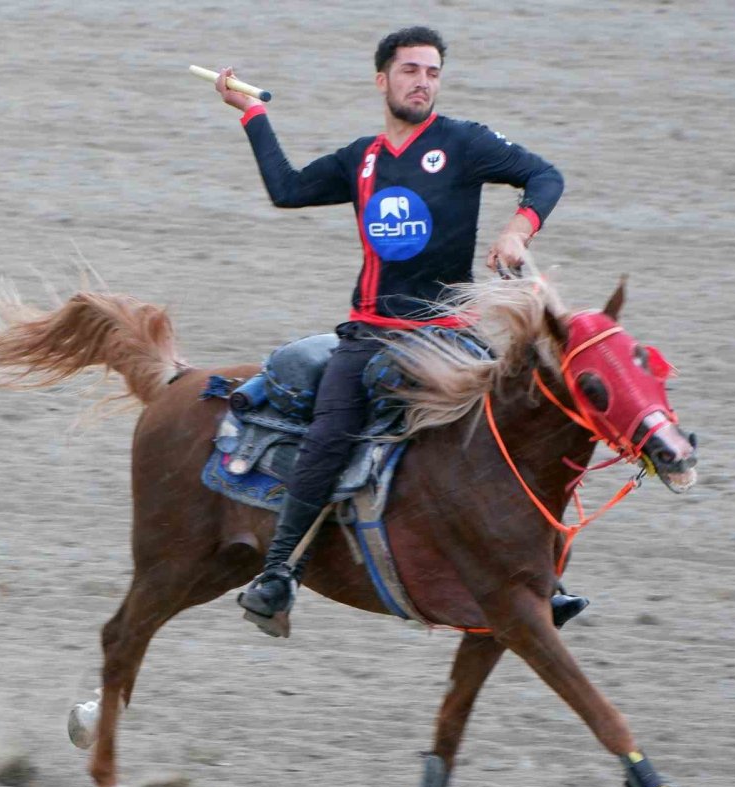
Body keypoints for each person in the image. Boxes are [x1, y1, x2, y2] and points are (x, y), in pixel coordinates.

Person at [213, 26, 587, 632]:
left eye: (433, 72)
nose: (423, 82)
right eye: (411, 70)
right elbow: (287, 189)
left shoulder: (464, 143)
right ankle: (280, 573)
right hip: (368, 334)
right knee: (331, 434)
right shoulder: (360, 159)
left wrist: (518, 229)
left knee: (510, 427)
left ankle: (543, 574)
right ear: (382, 79)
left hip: (448, 334)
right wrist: (252, 113)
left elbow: (545, 176)